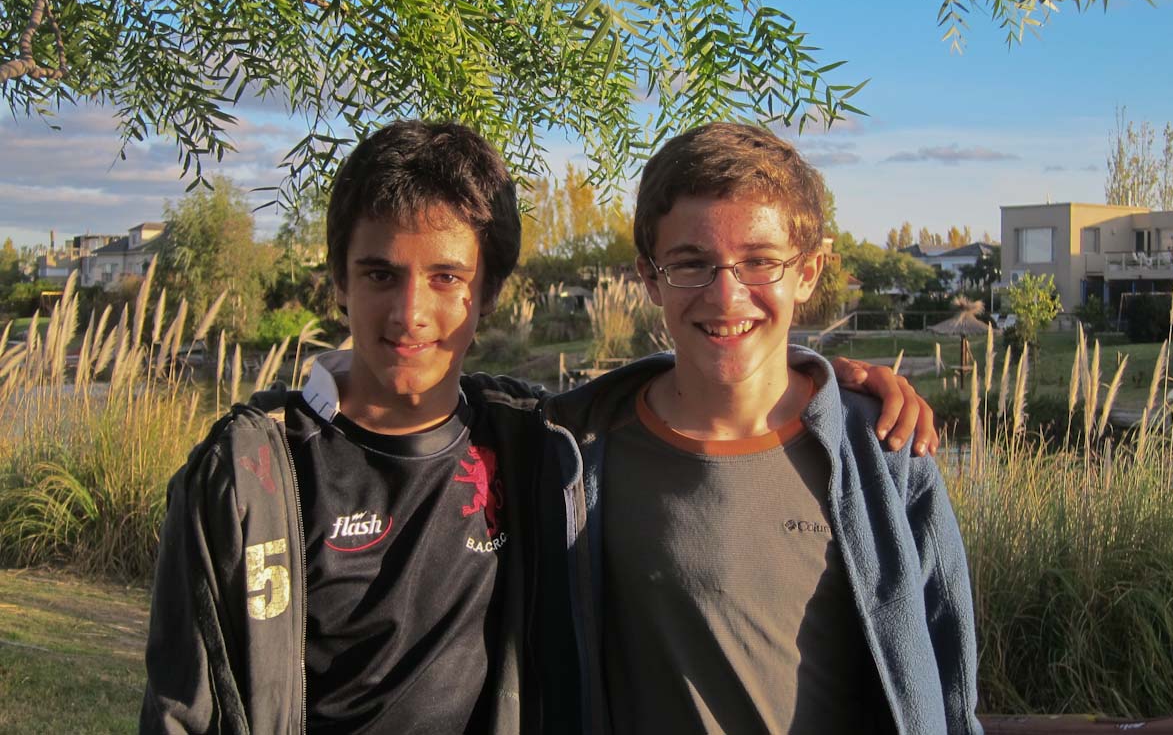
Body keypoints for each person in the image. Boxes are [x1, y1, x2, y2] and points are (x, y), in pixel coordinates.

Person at [140, 120, 939, 733]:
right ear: (340, 282)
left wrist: (826, 382)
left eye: (447, 277)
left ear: (487, 293)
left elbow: (715, 359)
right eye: (380, 274)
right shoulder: (256, 476)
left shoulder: (533, 439)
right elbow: (184, 705)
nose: (411, 312)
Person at [543, 122, 982, 734]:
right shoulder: (574, 451)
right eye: (691, 263)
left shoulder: (884, 450)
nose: (726, 297)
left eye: (759, 262)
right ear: (649, 277)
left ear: (809, 271)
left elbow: (948, 682)